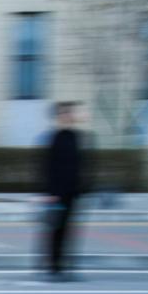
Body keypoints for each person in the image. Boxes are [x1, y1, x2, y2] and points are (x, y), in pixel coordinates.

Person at [42, 101, 89, 281]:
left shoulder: (77, 137)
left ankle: (67, 266)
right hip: (58, 194)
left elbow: (80, 165)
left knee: (70, 231)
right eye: (64, 114)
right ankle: (54, 266)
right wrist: (50, 193)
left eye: (69, 113)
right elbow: (49, 167)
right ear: (58, 117)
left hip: (73, 192)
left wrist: (82, 189)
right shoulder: (55, 137)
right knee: (57, 230)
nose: (68, 116)